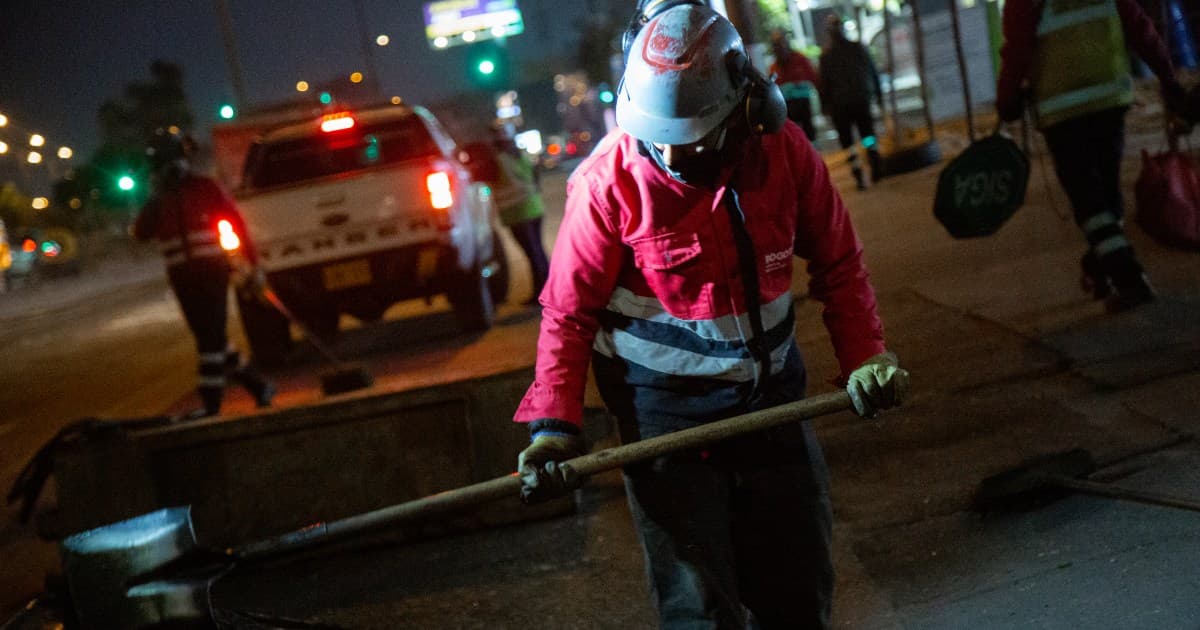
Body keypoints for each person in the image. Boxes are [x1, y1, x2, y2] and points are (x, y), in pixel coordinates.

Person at [512, 4, 909, 628]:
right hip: (666, 425)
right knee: (699, 610)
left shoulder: (782, 153)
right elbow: (567, 315)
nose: (669, 156)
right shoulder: (606, 186)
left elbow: (839, 263)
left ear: (746, 108)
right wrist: (552, 427)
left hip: (773, 404)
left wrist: (867, 356)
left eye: (689, 140)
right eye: (657, 138)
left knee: (797, 594)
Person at [996, 0, 1185, 312]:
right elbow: (1140, 28)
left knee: (1090, 204)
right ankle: (1099, 267)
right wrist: (1169, 79)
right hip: (1110, 101)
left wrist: (1007, 99)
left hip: (1063, 114)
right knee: (1107, 195)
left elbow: (1017, 49)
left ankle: (1129, 278)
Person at [134, 129, 275, 416]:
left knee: (210, 340)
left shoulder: (205, 187)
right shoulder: (159, 198)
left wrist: (254, 266)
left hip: (211, 273)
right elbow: (141, 233)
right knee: (211, 338)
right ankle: (259, 387)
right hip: (182, 278)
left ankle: (211, 405)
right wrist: (154, 199)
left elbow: (237, 223)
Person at [819, 14, 884, 190]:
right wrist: (878, 95)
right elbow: (872, 72)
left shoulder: (827, 55)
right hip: (858, 101)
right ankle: (875, 166)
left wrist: (825, 106)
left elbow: (823, 85)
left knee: (850, 144)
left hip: (841, 106)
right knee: (867, 136)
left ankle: (861, 175)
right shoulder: (857, 48)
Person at [487, 124, 550, 305]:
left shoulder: (498, 160)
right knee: (538, 251)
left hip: (518, 214)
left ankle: (542, 293)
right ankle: (549, 290)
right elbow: (536, 176)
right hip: (534, 208)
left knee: (532, 254)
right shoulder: (521, 155)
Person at [769, 29, 820, 141]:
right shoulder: (774, 67)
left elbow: (812, 77)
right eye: (776, 45)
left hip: (803, 104)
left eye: (781, 43)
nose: (780, 48)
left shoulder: (800, 59)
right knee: (791, 134)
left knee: (808, 130)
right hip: (786, 108)